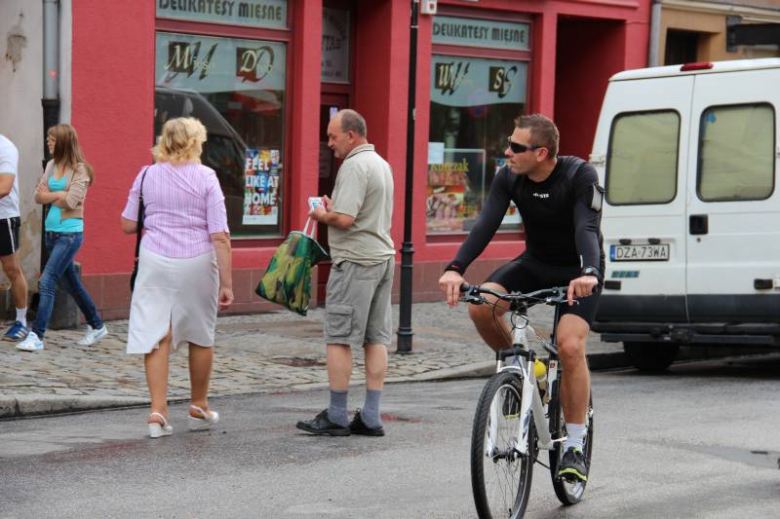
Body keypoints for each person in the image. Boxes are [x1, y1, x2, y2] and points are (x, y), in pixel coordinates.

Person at [438, 114, 604, 482]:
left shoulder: (580, 177)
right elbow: (486, 224)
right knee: (482, 305)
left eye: (516, 146)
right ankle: (527, 373)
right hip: (536, 262)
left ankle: (574, 445)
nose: (507, 152)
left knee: (570, 346)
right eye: (508, 144)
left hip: (579, 270)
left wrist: (589, 272)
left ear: (542, 153)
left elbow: (586, 228)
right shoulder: (509, 176)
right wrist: (455, 267)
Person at [120, 117, 233, 438]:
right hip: (197, 260)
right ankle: (198, 405)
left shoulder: (146, 175)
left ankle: (158, 411)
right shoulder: (207, 177)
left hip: (155, 258)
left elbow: (128, 224)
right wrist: (226, 283)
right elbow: (220, 236)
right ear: (196, 142)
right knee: (200, 333)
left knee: (156, 333)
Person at [296, 109, 395, 437]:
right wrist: (333, 207)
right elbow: (359, 211)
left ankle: (337, 414)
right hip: (382, 258)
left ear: (351, 135)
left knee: (338, 337)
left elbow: (346, 220)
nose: (329, 143)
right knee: (375, 338)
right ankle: (371, 415)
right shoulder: (381, 164)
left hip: (355, 261)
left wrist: (322, 214)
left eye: (332, 136)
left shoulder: (354, 165)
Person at [16, 125, 107, 352]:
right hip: (51, 232)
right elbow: (38, 196)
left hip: (70, 234)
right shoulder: (51, 165)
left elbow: (72, 201)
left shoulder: (81, 170)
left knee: (47, 281)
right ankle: (97, 325)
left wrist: (53, 195)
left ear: (64, 142)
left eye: (53, 139)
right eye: (48, 138)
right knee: (71, 284)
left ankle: (37, 335)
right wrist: (59, 194)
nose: (49, 142)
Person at [0, 134, 29, 342]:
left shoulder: (6, 148)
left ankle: (21, 322)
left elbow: (5, 187)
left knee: (11, 269)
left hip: (4, 217)